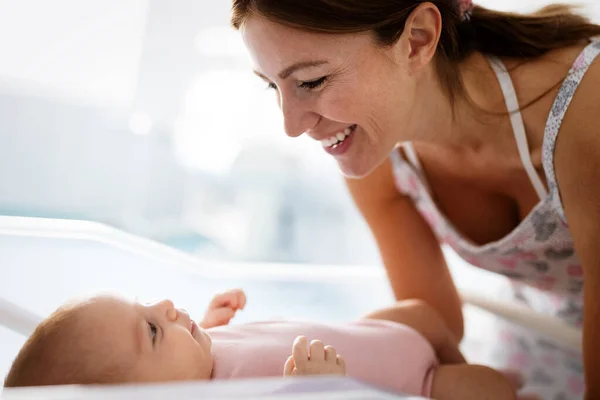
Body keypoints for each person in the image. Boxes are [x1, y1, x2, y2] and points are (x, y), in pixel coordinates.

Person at [230, 0, 600, 398]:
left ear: (418, 39)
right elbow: (432, 327)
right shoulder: (375, 149)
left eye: (312, 81)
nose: (290, 125)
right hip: (535, 351)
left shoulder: (586, 109)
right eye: (273, 85)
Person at [4, 289, 518, 399]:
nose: (164, 305)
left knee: (419, 312)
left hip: (376, 336)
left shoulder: (193, 360)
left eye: (146, 307)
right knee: (487, 389)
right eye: (153, 330)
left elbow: (187, 361)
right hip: (413, 386)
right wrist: (313, 394)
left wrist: (206, 324)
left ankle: (450, 352)